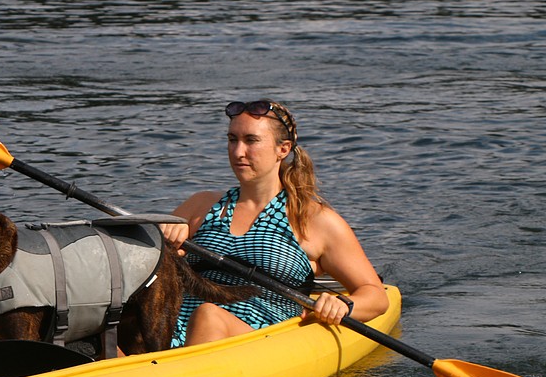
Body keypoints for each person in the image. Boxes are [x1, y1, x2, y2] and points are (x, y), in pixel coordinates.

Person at [158, 99, 388, 347]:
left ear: (283, 149)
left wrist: (343, 304)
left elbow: (376, 295)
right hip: (171, 329)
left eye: (251, 140)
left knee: (209, 316)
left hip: (261, 340)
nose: (238, 152)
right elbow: (144, 267)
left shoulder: (315, 221)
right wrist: (165, 238)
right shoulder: (200, 205)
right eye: (232, 139)